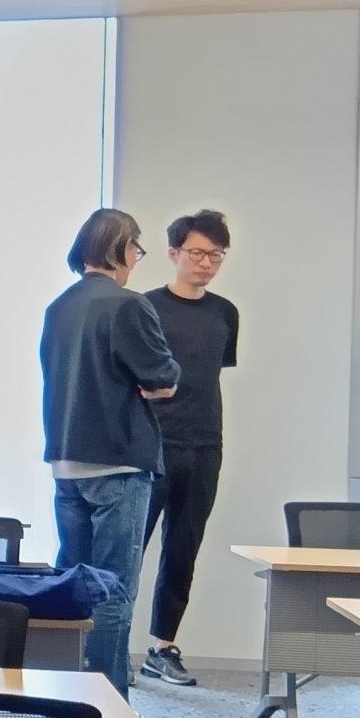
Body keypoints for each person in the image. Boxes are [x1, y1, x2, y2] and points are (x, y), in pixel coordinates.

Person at [40, 207, 179, 716]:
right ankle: (110, 711)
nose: (137, 259)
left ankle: (69, 703)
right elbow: (163, 378)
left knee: (74, 588)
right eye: (136, 249)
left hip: (66, 461)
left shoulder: (59, 307)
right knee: (113, 592)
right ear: (120, 248)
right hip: (118, 463)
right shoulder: (129, 305)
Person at [138, 210, 238, 687]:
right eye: (197, 253)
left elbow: (210, 373)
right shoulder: (144, 308)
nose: (206, 263)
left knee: (183, 549)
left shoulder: (225, 313)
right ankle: (107, 646)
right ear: (173, 253)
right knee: (130, 549)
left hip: (205, 444)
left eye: (216, 255)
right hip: (151, 444)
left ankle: (162, 648)